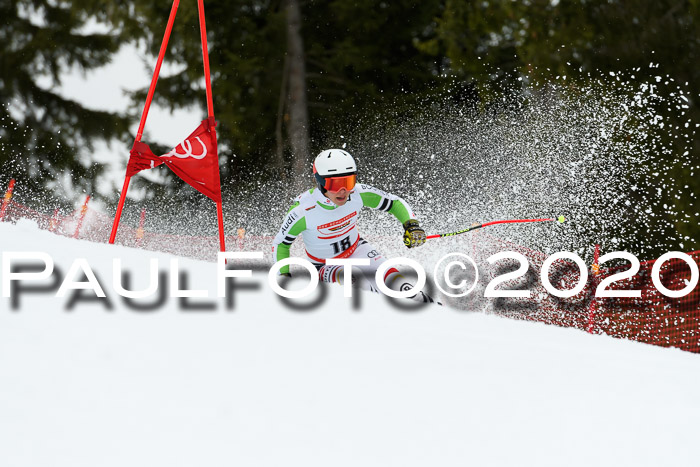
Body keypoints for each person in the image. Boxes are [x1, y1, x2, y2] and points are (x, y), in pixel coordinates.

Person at [273, 148, 438, 303]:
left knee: (405, 289)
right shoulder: (303, 210)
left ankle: (439, 314)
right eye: (336, 184)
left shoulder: (358, 194)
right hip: (323, 265)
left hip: (357, 250)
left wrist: (411, 225)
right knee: (355, 280)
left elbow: (394, 203)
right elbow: (281, 244)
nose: (343, 190)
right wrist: (283, 277)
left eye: (349, 181)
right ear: (321, 182)